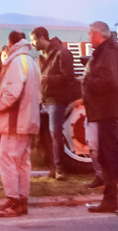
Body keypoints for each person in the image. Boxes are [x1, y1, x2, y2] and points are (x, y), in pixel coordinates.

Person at [83, 21, 118, 216]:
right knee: (107, 157)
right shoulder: (108, 52)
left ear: (99, 34)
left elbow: (110, 81)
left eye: (90, 34)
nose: (88, 37)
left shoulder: (108, 53)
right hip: (105, 111)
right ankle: (111, 199)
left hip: (108, 111)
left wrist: (89, 81)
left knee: (113, 156)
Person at [0, 34, 41, 218]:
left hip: (14, 120)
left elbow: (13, 92)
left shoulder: (16, 61)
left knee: (7, 160)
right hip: (28, 120)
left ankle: (13, 202)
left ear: (10, 43)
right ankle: (22, 200)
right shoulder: (31, 61)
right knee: (22, 163)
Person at [30, 27, 81, 180]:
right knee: (47, 135)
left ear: (42, 38)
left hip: (57, 100)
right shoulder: (42, 56)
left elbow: (69, 77)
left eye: (33, 40)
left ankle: (59, 168)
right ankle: (53, 167)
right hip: (45, 99)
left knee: (55, 133)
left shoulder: (62, 53)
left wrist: (48, 79)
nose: (32, 43)